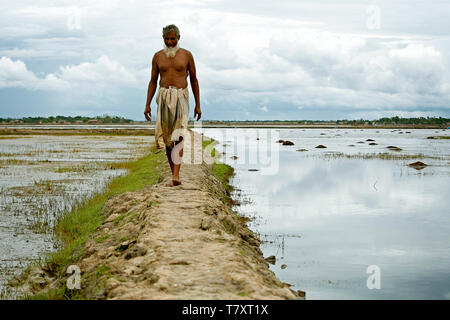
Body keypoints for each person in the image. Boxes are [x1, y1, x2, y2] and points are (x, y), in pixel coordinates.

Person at [144, 24, 201, 186]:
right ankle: (173, 174)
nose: (170, 42)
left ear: (178, 38)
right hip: (163, 96)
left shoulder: (187, 55)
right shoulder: (157, 57)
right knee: (167, 137)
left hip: (181, 95)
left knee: (179, 135)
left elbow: (194, 80)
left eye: (173, 39)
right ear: (163, 39)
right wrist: (147, 104)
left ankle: (176, 175)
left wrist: (198, 104)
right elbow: (153, 81)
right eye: (167, 39)